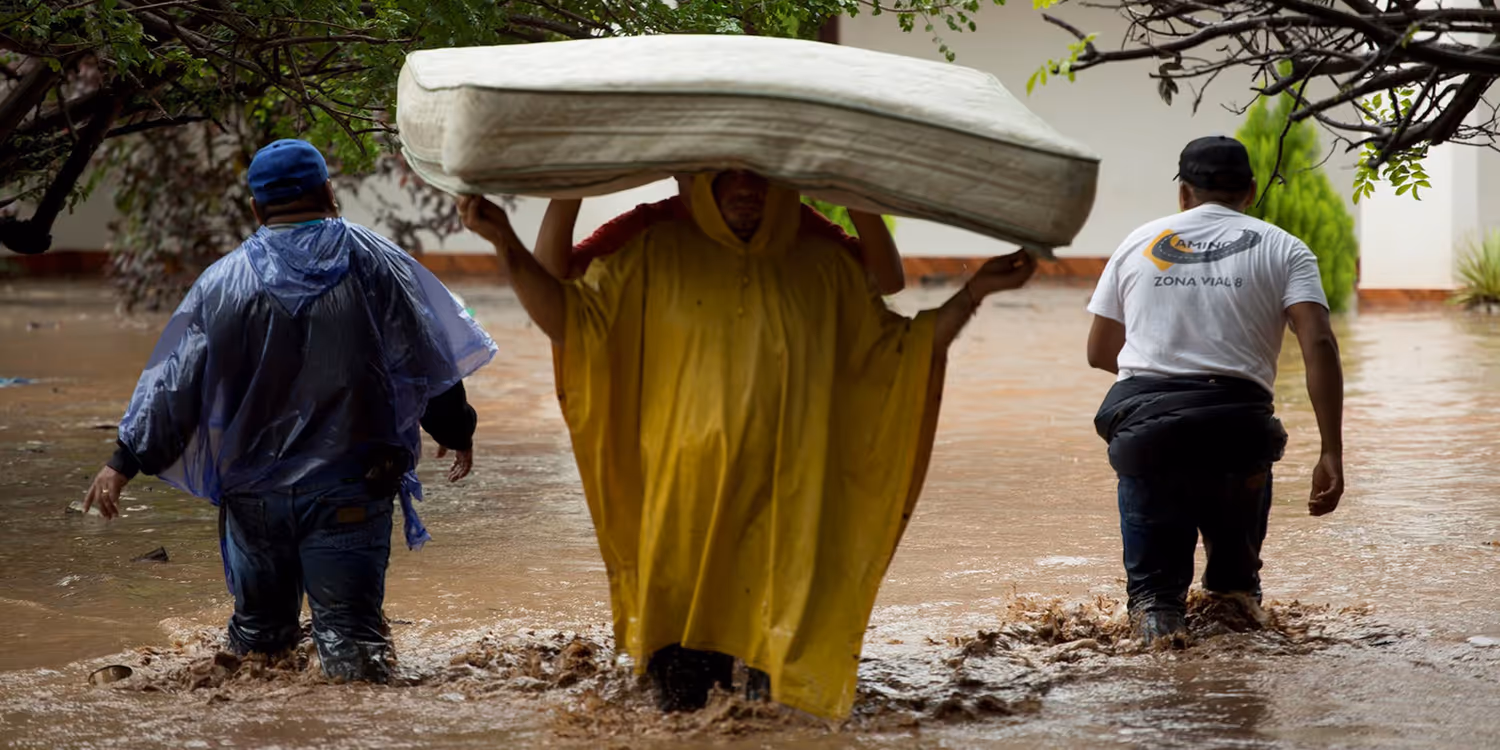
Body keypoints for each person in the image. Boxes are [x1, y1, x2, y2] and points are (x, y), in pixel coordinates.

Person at [457, 170, 1035, 719]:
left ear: (786, 181)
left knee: (773, 716)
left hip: (789, 528)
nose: (744, 186)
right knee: (682, 711)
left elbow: (901, 349)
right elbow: (568, 322)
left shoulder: (823, 263)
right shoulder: (650, 252)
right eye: (726, 172)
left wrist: (974, 292)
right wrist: (504, 238)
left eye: (759, 172)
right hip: (682, 526)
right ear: (697, 179)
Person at [81, 139, 496, 682]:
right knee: (354, 648)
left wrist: (123, 461)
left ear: (256, 208)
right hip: (353, 488)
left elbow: (174, 385)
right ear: (329, 191)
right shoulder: (377, 263)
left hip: (254, 499)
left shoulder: (220, 283)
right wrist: (455, 428)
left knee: (257, 647)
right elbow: (427, 357)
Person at [1085, 136, 1345, 643]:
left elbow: (1099, 353)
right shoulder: (1285, 248)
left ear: (1184, 193)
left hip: (1148, 436)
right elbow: (1320, 344)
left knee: (1155, 603)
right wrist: (1331, 450)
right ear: (1250, 191)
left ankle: (1163, 669)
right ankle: (1238, 696)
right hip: (1240, 435)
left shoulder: (1138, 242)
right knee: (1234, 599)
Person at [533, 175, 906, 294]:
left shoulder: (789, 222)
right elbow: (552, 275)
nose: (742, 188)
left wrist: (852, 191)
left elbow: (886, 281)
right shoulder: (652, 227)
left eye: (752, 174)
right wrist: (573, 183)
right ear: (677, 173)